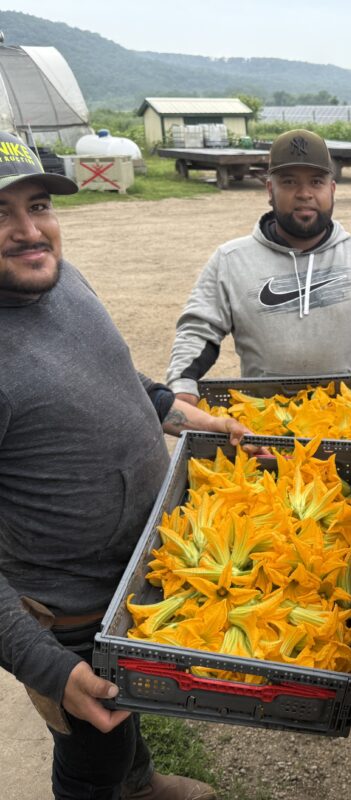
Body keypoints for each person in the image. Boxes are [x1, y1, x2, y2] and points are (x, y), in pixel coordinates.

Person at [0, 132, 256, 799]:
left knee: (126, 712)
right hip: (70, 611)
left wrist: (192, 417)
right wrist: (50, 669)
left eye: (38, 206)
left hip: (140, 565)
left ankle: (139, 786)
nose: (29, 232)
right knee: (92, 749)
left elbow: (117, 374)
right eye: (0, 214)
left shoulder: (62, 279)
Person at [165, 128, 351, 425]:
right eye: (289, 182)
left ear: (332, 189)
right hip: (265, 423)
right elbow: (198, 331)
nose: (304, 194)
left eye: (316, 182)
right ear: (270, 190)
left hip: (348, 422)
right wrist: (182, 384)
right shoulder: (231, 260)